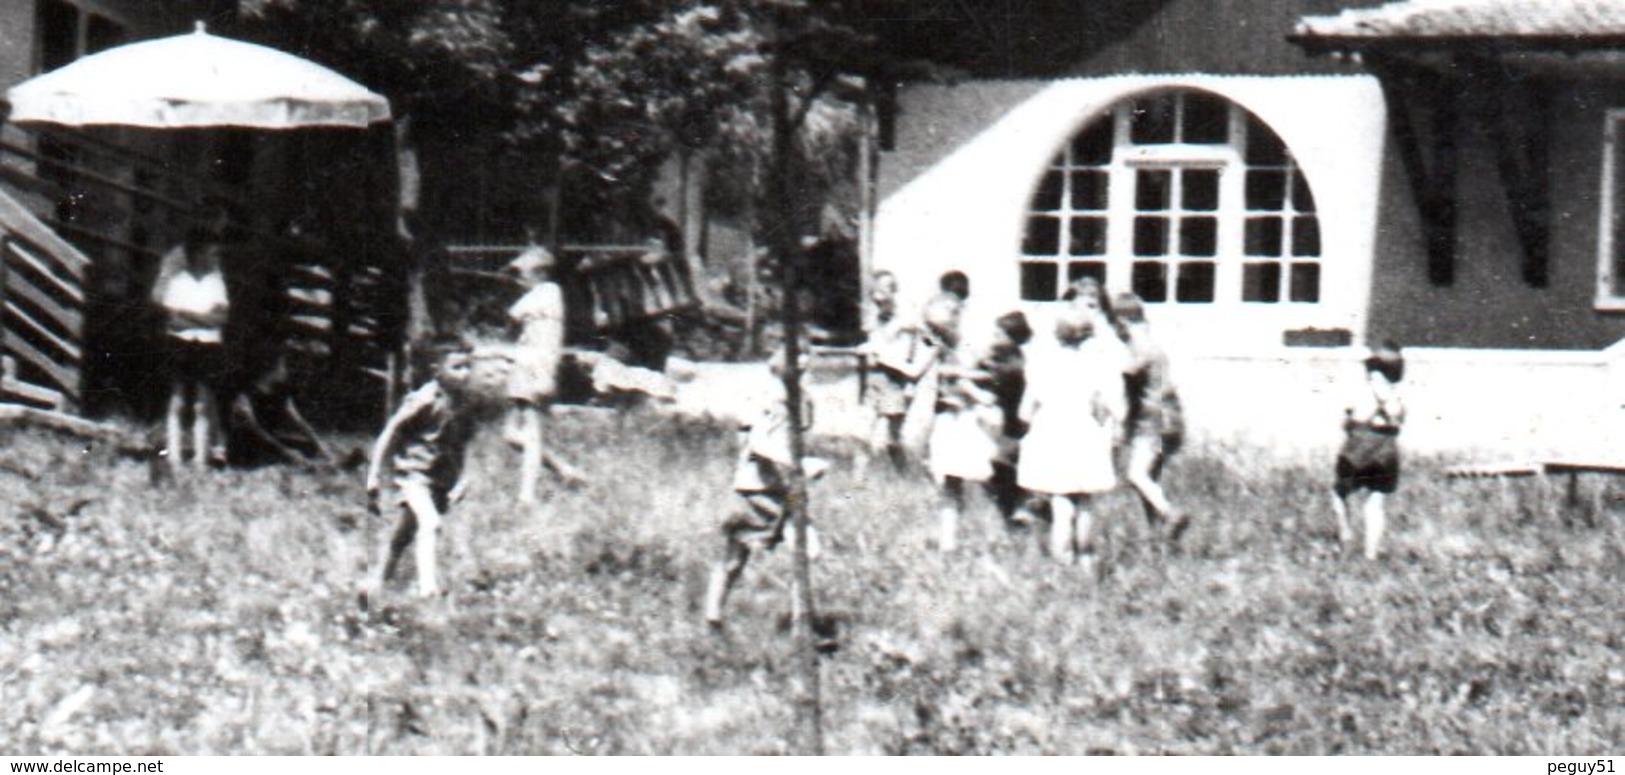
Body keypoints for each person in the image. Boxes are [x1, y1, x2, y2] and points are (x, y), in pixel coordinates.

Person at [703, 348, 828, 627]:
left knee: (745, 553)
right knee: (800, 547)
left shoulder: (793, 399)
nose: (805, 373)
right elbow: (761, 445)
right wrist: (801, 464)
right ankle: (800, 625)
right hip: (761, 489)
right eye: (799, 367)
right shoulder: (775, 399)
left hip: (783, 489)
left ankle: (798, 623)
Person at [363, 345, 484, 603]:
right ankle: (428, 591)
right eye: (457, 367)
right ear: (437, 371)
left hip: (440, 479)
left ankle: (376, 585)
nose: (464, 374)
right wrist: (373, 474)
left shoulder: (465, 403)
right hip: (413, 475)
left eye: (468, 367)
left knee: (403, 534)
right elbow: (391, 431)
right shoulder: (424, 399)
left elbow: (465, 444)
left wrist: (464, 479)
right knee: (430, 523)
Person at [1018, 308, 1125, 570]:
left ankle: (1062, 562)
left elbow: (1024, 412)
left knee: (1060, 501)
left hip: (1052, 434)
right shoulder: (1095, 366)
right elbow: (1111, 407)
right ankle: (1086, 558)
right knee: (1085, 500)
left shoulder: (1042, 365)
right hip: (1085, 435)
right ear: (1087, 336)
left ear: (1057, 334)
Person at [152, 224, 231, 474]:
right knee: (176, 399)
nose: (215, 260)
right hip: (179, 344)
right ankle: (174, 456)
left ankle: (201, 458)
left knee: (202, 401)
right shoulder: (178, 281)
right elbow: (172, 318)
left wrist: (191, 317)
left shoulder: (215, 282)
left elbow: (221, 317)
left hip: (207, 345)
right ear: (197, 255)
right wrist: (202, 317)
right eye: (211, 254)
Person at [923, 295, 998, 554]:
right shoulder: (940, 350)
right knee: (952, 481)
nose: (939, 335)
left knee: (984, 477)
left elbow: (984, 372)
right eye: (935, 331)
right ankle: (948, 541)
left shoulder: (967, 347)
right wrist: (972, 388)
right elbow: (952, 381)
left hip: (968, 420)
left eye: (943, 329)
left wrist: (975, 379)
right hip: (952, 421)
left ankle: (992, 534)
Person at [1114, 292, 1189, 544]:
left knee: (1137, 475)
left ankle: (1170, 513)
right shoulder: (1153, 344)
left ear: (1122, 322)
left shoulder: (1140, 347)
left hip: (1152, 421)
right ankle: (1157, 539)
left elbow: (1127, 373)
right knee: (1150, 479)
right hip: (1169, 419)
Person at [503, 240, 567, 505]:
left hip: (538, 370)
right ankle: (564, 470)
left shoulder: (548, 292)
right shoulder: (539, 295)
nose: (520, 278)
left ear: (541, 272)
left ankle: (526, 495)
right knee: (511, 435)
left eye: (524, 273)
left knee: (531, 432)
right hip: (525, 367)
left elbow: (512, 316)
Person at [1332, 341, 1406, 561]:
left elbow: (1349, 420)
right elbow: (1398, 421)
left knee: (1339, 493)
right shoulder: (1397, 394)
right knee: (1375, 502)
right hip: (1386, 452)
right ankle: (1370, 554)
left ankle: (1346, 533)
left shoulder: (1363, 390)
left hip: (1357, 449)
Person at [863, 271, 934, 470]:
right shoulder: (874, 317)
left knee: (893, 435)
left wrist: (913, 375)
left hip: (896, 378)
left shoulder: (906, 317)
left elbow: (929, 341)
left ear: (894, 290)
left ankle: (903, 474)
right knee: (866, 429)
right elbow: (873, 346)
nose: (878, 294)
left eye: (884, 288)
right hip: (875, 376)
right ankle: (860, 479)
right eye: (876, 288)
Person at [979, 311, 1034, 526]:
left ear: (1012, 338)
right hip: (1011, 426)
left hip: (1015, 428)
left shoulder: (1013, 365)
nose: (993, 338)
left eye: (998, 334)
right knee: (1001, 470)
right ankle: (1015, 511)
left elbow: (994, 387)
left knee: (999, 469)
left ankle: (1019, 510)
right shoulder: (1008, 359)